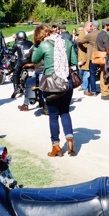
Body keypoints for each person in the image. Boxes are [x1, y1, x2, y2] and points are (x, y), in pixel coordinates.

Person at [31, 24, 78, 156]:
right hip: (66, 82)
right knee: (65, 112)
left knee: (53, 116)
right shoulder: (66, 42)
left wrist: (36, 45)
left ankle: (56, 146)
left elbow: (34, 59)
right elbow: (74, 61)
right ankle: (69, 139)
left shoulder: (43, 45)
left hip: (51, 83)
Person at [77, 20, 99, 96]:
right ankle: (86, 89)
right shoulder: (82, 34)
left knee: (88, 74)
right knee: (86, 74)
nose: (91, 27)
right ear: (86, 27)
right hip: (84, 57)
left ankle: (88, 88)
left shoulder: (89, 34)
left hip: (88, 56)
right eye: (90, 26)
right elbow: (79, 42)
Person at [96, 19, 109, 100]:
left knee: (102, 73)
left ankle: (104, 91)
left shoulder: (99, 33)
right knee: (106, 74)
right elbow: (107, 46)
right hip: (105, 56)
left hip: (100, 55)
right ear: (106, 26)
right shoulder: (105, 34)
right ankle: (105, 93)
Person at [11, 30, 34, 99]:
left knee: (15, 74)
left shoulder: (16, 44)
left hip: (22, 61)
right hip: (31, 61)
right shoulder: (30, 43)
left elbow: (11, 52)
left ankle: (15, 88)